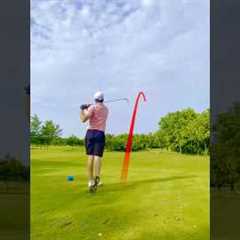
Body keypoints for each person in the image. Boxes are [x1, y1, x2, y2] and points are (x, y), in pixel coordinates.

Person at [80, 91, 109, 192]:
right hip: (100, 133)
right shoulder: (106, 109)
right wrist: (89, 108)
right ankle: (97, 178)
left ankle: (90, 181)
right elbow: (97, 112)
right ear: (103, 99)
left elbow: (83, 119)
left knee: (90, 156)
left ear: (95, 99)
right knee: (98, 157)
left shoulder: (92, 107)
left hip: (90, 132)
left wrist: (82, 109)